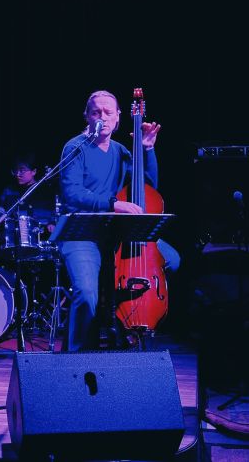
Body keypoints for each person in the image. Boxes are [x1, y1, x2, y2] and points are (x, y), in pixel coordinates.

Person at [54, 89, 180, 352]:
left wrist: (148, 150)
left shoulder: (121, 152)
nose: (102, 117)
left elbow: (148, 186)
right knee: (86, 294)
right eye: (96, 112)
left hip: (115, 234)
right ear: (87, 116)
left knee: (171, 259)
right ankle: (75, 355)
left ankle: (123, 317)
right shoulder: (75, 147)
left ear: (118, 118)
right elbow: (72, 193)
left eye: (108, 112)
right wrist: (114, 203)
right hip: (81, 234)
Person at [0, 155, 57, 233]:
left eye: (22, 170)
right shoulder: (9, 190)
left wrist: (52, 223)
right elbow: (0, 211)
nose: (18, 174)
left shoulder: (45, 191)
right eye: (16, 170)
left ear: (34, 171)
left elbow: (56, 213)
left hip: (42, 234)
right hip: (16, 234)